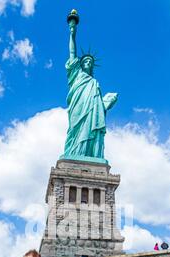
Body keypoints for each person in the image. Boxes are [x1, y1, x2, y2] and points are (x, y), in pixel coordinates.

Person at [64, 12, 118, 159]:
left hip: (91, 110)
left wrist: (107, 103)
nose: (88, 63)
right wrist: (72, 34)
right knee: (75, 129)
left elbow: (99, 106)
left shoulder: (94, 83)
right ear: (81, 64)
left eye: (90, 62)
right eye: (85, 61)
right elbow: (72, 52)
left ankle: (90, 155)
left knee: (90, 129)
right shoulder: (76, 74)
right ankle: (75, 153)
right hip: (78, 107)